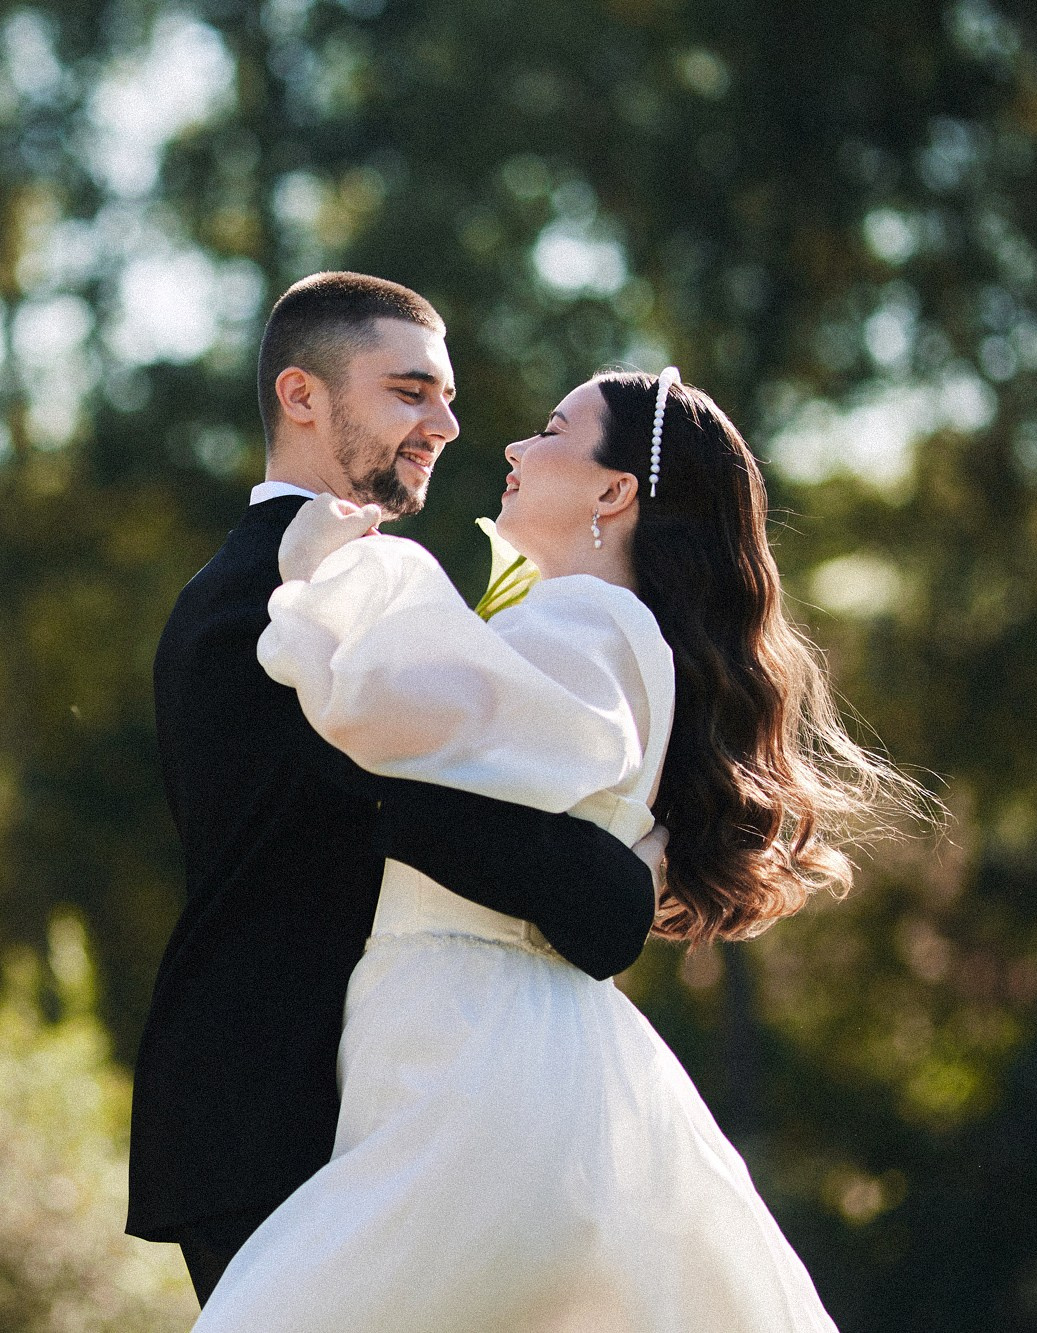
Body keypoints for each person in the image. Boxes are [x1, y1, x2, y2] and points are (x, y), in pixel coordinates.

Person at [188, 367, 921, 1331]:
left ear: (615, 491)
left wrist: (327, 571)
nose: (515, 449)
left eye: (550, 431)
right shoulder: (591, 633)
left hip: (478, 1048)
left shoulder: (592, 622)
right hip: (490, 1039)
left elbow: (391, 709)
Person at [126, 272, 668, 1304]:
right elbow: (404, 808)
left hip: (385, 1097)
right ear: (302, 396)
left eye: (447, 397)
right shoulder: (261, 600)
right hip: (272, 1108)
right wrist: (622, 883)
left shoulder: (353, 597)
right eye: (409, 392)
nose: (446, 424)